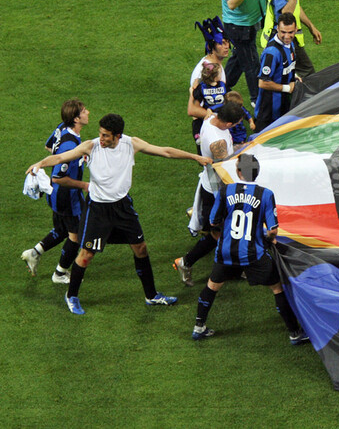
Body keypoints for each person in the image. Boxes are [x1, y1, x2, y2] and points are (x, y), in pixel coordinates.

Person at [26, 113, 211, 315]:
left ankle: (151, 295)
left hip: (122, 207)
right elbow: (61, 157)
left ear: (118, 136)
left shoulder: (131, 144)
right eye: (100, 133)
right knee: (86, 255)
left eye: (106, 135)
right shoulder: (91, 146)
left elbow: (165, 151)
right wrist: (40, 164)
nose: (101, 138)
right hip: (97, 209)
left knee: (141, 248)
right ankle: (71, 296)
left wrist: (195, 156)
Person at [191, 153, 308, 344]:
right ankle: (294, 333)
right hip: (253, 253)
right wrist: (267, 239)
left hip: (226, 252)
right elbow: (273, 230)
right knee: (277, 288)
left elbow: (213, 221)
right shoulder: (266, 194)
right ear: (257, 172)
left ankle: (199, 327)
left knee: (212, 286)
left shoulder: (225, 191)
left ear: (238, 172)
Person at [174, 102, 243, 287]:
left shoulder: (210, 116)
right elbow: (225, 168)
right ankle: (186, 262)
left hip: (211, 185)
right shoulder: (218, 143)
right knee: (219, 234)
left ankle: (236, 268)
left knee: (228, 230)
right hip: (217, 191)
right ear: (229, 124)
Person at [21, 99, 90, 283]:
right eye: (84, 111)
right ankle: (60, 274)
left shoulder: (62, 128)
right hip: (67, 197)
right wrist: (84, 185)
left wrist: (72, 158)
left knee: (62, 229)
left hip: (56, 194)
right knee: (76, 236)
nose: (88, 112)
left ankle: (34, 253)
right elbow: (58, 177)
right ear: (76, 119)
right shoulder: (70, 145)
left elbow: (49, 146)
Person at [219, 0, 269, 105]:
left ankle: (222, 86)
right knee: (252, 63)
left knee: (239, 59)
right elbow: (232, 4)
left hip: (250, 22)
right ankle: (257, 100)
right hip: (238, 26)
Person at [260, 0, 321, 78]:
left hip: (287, 36)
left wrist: (311, 26)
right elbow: (286, 14)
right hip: (281, 37)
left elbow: (295, 7)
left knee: (290, 72)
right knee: (306, 72)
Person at [255, 12, 301, 132]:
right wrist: (287, 88)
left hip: (283, 101)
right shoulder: (272, 52)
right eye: (283, 32)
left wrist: (293, 76)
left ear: (296, 29)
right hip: (268, 107)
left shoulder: (290, 44)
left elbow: (284, 67)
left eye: (290, 32)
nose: (287, 36)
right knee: (263, 138)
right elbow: (263, 83)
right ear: (277, 29)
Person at [188, 61, 229, 151]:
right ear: (215, 77)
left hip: (209, 114)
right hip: (219, 114)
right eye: (220, 73)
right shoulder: (223, 85)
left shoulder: (202, 87)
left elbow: (195, 99)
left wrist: (192, 91)